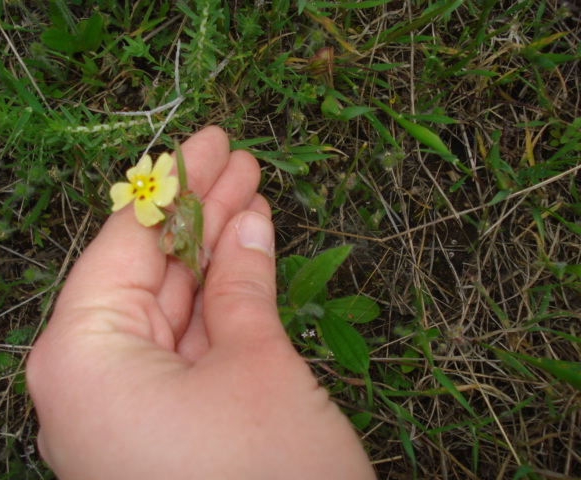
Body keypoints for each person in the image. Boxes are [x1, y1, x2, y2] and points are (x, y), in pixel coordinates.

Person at [26, 126, 378, 479]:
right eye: (141, 187)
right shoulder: (150, 204)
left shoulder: (160, 190)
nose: (141, 186)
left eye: (145, 184)